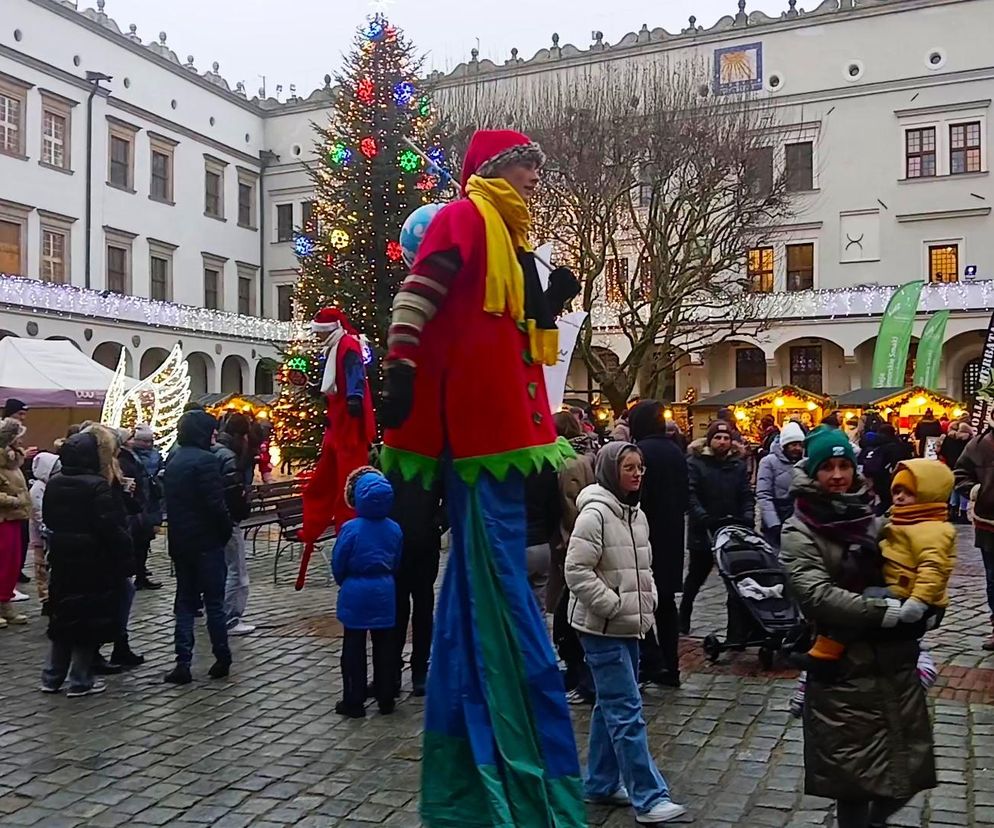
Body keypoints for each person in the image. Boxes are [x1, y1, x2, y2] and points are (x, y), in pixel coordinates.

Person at [379, 129, 586, 825]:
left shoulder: (510, 237)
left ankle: (490, 748)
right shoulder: (466, 218)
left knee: (487, 583)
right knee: (492, 585)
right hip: (473, 432)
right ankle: (500, 754)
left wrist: (547, 303)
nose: (536, 179)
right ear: (498, 169)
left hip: (504, 429)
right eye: (528, 167)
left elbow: (506, 326)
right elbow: (419, 293)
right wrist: (401, 367)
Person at [781, 426, 936, 828]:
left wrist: (927, 602)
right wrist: (878, 610)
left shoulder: (871, 515)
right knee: (853, 783)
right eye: (827, 468)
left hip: (893, 667)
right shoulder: (799, 529)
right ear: (812, 473)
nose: (837, 475)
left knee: (907, 772)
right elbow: (814, 594)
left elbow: (903, 569)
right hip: (844, 675)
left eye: (843, 466)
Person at [565, 441, 687, 824]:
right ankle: (649, 797)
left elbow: (641, 567)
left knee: (612, 704)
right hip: (603, 628)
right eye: (629, 467)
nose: (637, 473)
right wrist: (613, 604)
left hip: (629, 626)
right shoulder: (595, 515)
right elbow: (577, 571)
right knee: (626, 710)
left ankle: (600, 782)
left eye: (640, 467)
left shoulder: (635, 513)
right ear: (610, 470)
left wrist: (643, 606)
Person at [794, 457, 955, 675]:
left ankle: (825, 654)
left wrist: (918, 602)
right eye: (896, 491)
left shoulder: (930, 529)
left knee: (863, 605)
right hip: (895, 592)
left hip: (905, 594)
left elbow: (933, 569)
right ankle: (824, 653)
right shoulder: (899, 520)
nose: (899, 497)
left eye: (908, 493)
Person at [42, 430, 133, 695]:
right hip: (93, 560)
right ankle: (80, 680)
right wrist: (123, 554)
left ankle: (51, 676)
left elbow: (49, 517)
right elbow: (109, 526)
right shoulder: (96, 485)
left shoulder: (56, 481)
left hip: (62, 557)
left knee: (62, 619)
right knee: (86, 621)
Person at [163, 410, 233, 685]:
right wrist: (224, 531)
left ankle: (183, 661)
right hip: (207, 542)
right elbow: (216, 505)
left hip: (181, 542)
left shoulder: (175, 459)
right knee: (214, 602)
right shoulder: (206, 461)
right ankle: (222, 657)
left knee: (184, 603)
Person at [332, 467, 402, 718]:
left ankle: (354, 699)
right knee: (385, 646)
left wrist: (346, 581)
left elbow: (339, 561)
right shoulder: (394, 528)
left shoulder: (351, 529)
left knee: (353, 647)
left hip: (356, 590)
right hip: (384, 590)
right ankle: (386, 697)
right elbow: (396, 560)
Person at [629, 400, 688, 687]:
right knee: (665, 603)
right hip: (671, 536)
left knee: (639, 601)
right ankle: (671, 665)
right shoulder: (675, 451)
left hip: (643, 537)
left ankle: (651, 660)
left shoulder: (640, 454)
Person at [680, 420, 755, 635]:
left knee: (734, 581)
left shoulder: (737, 465)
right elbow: (690, 493)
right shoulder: (696, 462)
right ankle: (684, 615)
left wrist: (747, 515)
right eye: (718, 438)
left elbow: (745, 493)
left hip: (732, 528)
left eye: (726, 438)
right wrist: (702, 516)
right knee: (696, 576)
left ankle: (736, 629)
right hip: (704, 530)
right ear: (710, 440)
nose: (722, 442)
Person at [551, 410, 596, 704]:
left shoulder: (568, 462)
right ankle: (578, 673)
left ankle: (582, 677)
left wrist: (565, 542)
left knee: (567, 616)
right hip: (580, 541)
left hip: (571, 544)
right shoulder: (587, 455)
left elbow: (570, 505)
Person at [390, 473, 444, 698]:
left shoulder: (433, 462)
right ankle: (391, 671)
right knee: (397, 612)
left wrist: (437, 525)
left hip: (424, 545)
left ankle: (419, 671)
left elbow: (450, 499)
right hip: (397, 544)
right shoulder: (391, 458)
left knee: (422, 610)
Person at [954, 419, 994, 650]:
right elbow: (960, 473)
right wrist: (974, 490)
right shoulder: (979, 445)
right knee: (993, 579)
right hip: (989, 523)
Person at [214, 415, 254, 636]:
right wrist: (240, 509)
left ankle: (220, 614)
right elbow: (232, 491)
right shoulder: (228, 455)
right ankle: (230, 618)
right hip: (228, 520)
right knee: (235, 569)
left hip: (217, 519)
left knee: (224, 567)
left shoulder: (217, 450)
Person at [756, 421, 806, 549]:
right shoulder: (769, 462)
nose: (797, 449)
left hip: (799, 519)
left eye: (800, 445)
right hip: (777, 516)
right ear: (785, 445)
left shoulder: (805, 462)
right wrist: (773, 523)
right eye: (794, 444)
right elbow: (763, 494)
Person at [0, 418, 31, 627]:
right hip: (3, 517)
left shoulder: (13, 463)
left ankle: (5, 603)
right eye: (17, 439)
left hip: (15, 517)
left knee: (12, 564)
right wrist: (13, 500)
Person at [130, 424, 164, 588]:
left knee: (146, 536)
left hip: (151, 498)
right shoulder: (132, 457)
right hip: (141, 500)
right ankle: (139, 572)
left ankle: (141, 570)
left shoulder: (155, 455)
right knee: (140, 537)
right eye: (145, 441)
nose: (149, 444)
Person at [28, 451, 59, 615]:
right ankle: (45, 598)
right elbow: (38, 512)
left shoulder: (51, 485)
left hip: (51, 531)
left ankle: (52, 596)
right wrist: (47, 528)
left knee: (50, 565)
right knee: (41, 567)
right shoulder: (37, 489)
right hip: (41, 535)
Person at [863, 423, 914, 514]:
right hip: (891, 480)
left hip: (877, 480)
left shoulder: (873, 445)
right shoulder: (896, 446)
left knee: (883, 503)